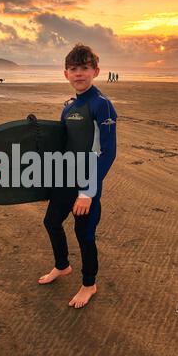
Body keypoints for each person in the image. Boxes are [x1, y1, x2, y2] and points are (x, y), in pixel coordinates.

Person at [38, 43, 118, 309]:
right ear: (65, 74)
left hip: (87, 182)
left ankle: (89, 284)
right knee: (51, 221)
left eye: (84, 68)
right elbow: (62, 145)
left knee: (84, 234)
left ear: (96, 71)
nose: (79, 74)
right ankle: (62, 266)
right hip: (66, 178)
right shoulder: (69, 106)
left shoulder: (102, 105)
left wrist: (87, 192)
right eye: (73, 69)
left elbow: (107, 153)